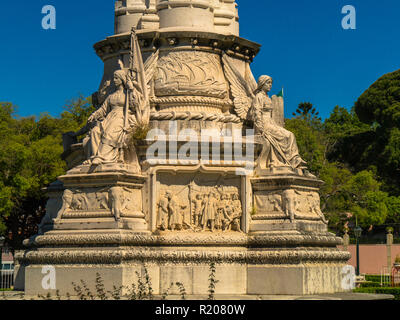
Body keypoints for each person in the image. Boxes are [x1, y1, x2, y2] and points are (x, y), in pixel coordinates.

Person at [84, 69, 142, 166]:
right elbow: (103, 109)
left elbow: (134, 105)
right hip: (109, 117)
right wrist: (94, 115)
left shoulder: (127, 94)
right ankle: (94, 156)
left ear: (122, 79)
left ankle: (101, 157)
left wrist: (131, 89)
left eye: (116, 78)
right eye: (114, 78)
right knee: (95, 131)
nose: (114, 80)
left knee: (109, 133)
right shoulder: (111, 96)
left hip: (121, 117)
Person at [249, 75, 307, 170]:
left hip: (271, 123)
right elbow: (256, 113)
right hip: (264, 124)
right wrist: (260, 128)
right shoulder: (258, 97)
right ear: (262, 84)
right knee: (287, 136)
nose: (270, 85)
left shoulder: (268, 98)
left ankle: (295, 159)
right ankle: (292, 160)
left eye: (271, 83)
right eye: (268, 83)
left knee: (290, 135)